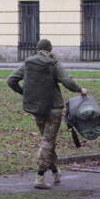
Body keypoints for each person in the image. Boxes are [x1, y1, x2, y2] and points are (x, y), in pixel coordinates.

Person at [7, 39, 87, 189]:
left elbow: (11, 81)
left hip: (37, 108)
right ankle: (40, 177)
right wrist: (80, 89)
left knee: (47, 141)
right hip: (53, 109)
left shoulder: (28, 63)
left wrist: (25, 93)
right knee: (48, 142)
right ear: (50, 50)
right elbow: (67, 81)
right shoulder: (53, 63)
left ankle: (55, 172)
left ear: (37, 49)